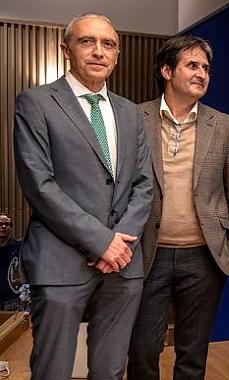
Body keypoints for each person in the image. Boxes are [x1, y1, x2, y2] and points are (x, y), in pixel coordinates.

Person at [13, 13, 153, 379]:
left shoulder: (131, 113)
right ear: (66, 50)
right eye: (86, 41)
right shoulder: (36, 103)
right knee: (52, 371)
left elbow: (144, 185)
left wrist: (118, 246)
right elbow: (38, 185)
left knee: (109, 371)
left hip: (122, 267)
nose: (98, 51)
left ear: (117, 56)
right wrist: (102, 242)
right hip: (60, 263)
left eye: (108, 44)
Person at [127, 35, 229, 380]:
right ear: (167, 70)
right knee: (143, 350)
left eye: (205, 68)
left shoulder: (224, 125)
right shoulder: (135, 118)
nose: (202, 74)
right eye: (192, 65)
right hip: (147, 253)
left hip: (204, 256)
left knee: (192, 353)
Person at [0, 213, 23, 310]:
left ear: (11, 227)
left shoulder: (19, 247)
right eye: (0, 224)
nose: (3, 227)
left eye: (7, 224)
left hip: (12, 301)